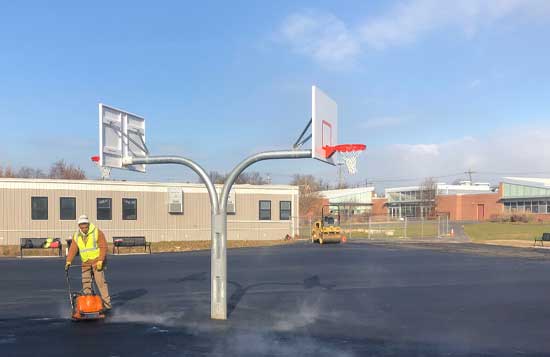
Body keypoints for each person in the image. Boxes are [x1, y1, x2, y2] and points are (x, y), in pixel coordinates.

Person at [65, 215, 112, 311]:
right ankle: (88, 304)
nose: (84, 229)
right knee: (86, 282)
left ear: (88, 224)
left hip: (97, 261)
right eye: (82, 227)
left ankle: (107, 306)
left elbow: (103, 247)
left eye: (86, 227)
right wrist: (68, 261)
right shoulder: (76, 235)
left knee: (100, 283)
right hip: (85, 262)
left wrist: (100, 261)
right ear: (79, 226)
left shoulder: (97, 232)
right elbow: (73, 248)